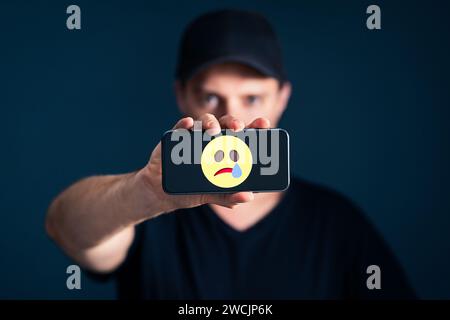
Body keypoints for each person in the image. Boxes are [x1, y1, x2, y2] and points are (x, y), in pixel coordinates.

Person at [46, 9, 415, 299]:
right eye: (211, 97)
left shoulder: (336, 224)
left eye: (252, 98)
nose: (231, 118)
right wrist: (144, 192)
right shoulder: (146, 212)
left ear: (282, 97)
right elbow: (65, 228)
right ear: (182, 96)